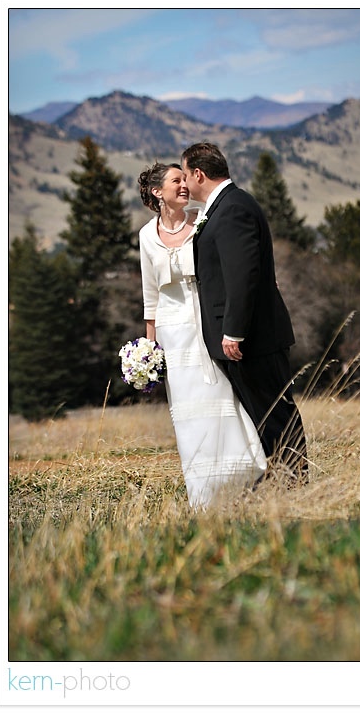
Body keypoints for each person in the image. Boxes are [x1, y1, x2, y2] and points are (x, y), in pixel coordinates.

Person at [138, 162, 267, 509]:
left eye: (185, 179)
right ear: (156, 191)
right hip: (171, 332)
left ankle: (243, 475)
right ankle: (204, 494)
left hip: (205, 322)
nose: (184, 185)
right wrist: (148, 348)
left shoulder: (203, 221)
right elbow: (151, 294)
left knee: (221, 398)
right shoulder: (146, 236)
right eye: (176, 181)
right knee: (188, 412)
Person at [181, 142, 308, 480]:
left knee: (274, 413)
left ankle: (294, 482)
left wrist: (233, 330)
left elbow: (242, 275)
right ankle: (282, 480)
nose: (184, 184)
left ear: (199, 173)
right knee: (262, 414)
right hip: (248, 336)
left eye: (186, 175)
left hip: (252, 337)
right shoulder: (227, 204)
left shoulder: (232, 208)